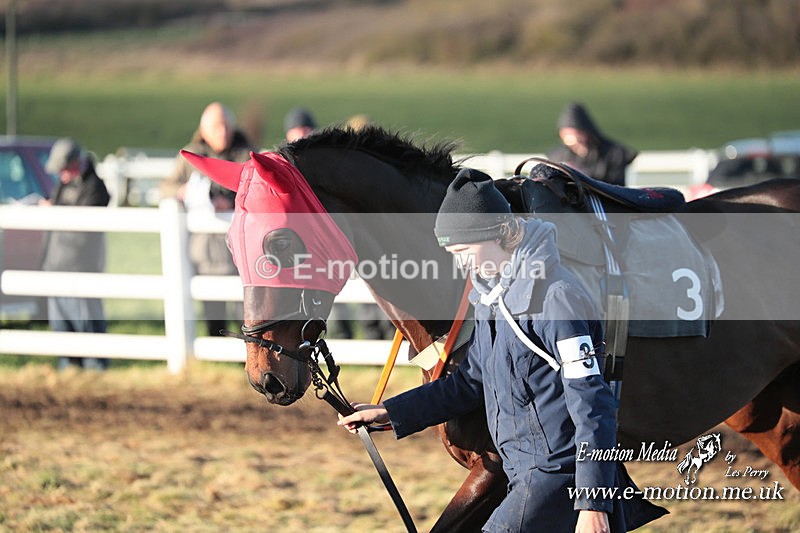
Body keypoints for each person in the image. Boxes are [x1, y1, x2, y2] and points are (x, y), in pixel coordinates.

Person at [338, 169, 666, 531]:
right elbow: (469, 383)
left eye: (463, 250)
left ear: (497, 234)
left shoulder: (556, 299)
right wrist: (390, 411)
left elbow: (593, 405)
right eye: (452, 253)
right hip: (522, 475)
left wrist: (593, 503)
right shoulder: (492, 298)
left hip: (561, 479)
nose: (460, 262)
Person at [161, 102, 255, 337]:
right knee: (212, 311)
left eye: (225, 126)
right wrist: (181, 192)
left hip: (240, 250)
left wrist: (231, 201)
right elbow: (165, 187)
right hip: (204, 250)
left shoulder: (248, 155)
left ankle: (248, 356)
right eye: (216, 127)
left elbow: (260, 190)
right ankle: (216, 355)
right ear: (204, 130)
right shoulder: (190, 157)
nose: (222, 132)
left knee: (245, 310)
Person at [40, 138, 111, 370]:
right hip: (57, 266)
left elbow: (83, 236)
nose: (60, 175)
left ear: (74, 163)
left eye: (63, 169)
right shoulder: (65, 185)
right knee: (62, 329)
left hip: (81, 269)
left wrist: (55, 213)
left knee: (87, 328)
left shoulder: (95, 188)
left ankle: (94, 371)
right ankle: (69, 369)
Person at [548, 102, 638, 186]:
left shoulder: (614, 154)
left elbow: (616, 186)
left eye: (574, 133)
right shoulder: (558, 155)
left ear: (585, 131)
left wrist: (583, 175)